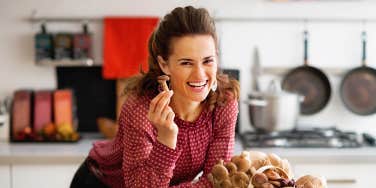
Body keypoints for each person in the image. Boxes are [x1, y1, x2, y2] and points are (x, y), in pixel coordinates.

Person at [70, 5, 240, 188]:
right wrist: (166, 139)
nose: (200, 75)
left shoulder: (224, 102)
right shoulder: (140, 109)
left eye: (208, 61)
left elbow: (217, 180)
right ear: (164, 64)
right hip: (99, 182)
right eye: (186, 63)